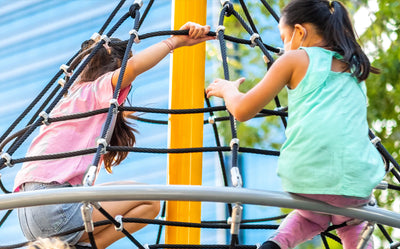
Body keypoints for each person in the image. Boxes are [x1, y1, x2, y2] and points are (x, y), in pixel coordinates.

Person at [14, 22, 214, 249]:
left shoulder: (70, 98)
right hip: (53, 207)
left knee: (136, 196)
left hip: (26, 210)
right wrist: (174, 42)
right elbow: (134, 67)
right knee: (150, 200)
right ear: (116, 68)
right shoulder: (96, 90)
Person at [206, 0, 385, 248]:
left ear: (300, 32)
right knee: (353, 223)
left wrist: (227, 90)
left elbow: (242, 110)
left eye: (284, 37)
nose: (283, 46)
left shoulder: (294, 60)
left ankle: (275, 244)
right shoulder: (356, 68)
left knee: (308, 217)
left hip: (306, 176)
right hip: (354, 181)